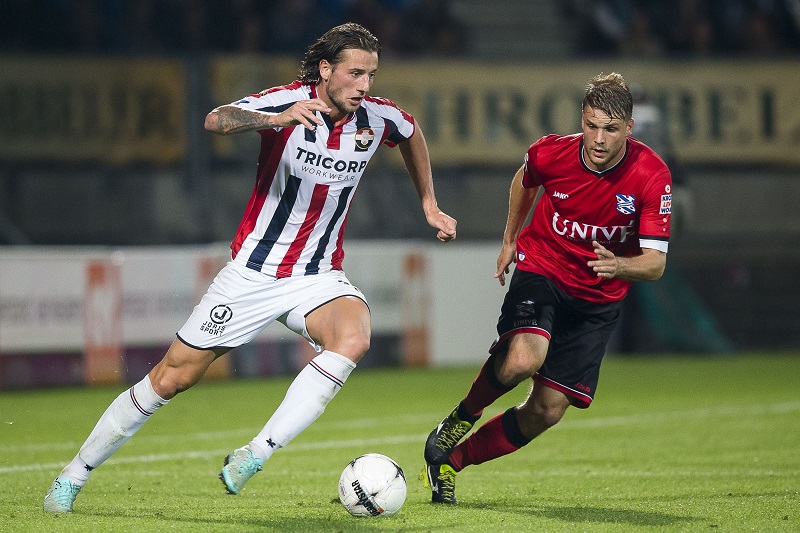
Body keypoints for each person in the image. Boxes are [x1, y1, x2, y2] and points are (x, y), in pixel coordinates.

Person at [43, 22, 457, 514]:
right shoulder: (287, 100)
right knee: (171, 379)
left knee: (354, 336)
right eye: (355, 73)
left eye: (371, 74)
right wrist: (278, 120)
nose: (365, 85)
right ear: (326, 70)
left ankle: (256, 453)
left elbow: (412, 135)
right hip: (252, 274)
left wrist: (429, 203)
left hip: (317, 275)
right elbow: (215, 120)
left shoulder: (377, 118)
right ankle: (72, 476)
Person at [421, 72, 671, 504]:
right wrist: (509, 238)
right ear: (582, 118)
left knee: (547, 410)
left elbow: (656, 264)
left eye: (610, 129)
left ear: (628, 129)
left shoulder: (651, 175)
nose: (597, 138)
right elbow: (524, 180)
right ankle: (463, 416)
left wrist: (620, 265)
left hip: (598, 298)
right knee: (522, 359)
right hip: (545, 268)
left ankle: (450, 463)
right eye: (591, 125)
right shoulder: (551, 152)